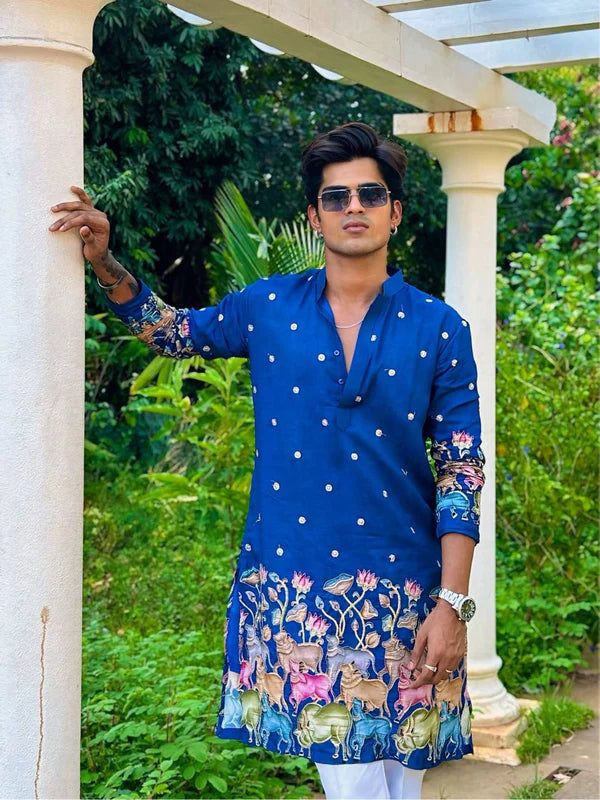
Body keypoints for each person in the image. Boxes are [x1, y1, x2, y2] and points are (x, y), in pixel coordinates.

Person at [49, 121, 485, 800]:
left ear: (396, 212)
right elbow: (173, 332)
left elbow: (461, 469)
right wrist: (106, 264)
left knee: (404, 782)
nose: (354, 208)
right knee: (352, 784)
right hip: (300, 598)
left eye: (371, 194)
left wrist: (452, 606)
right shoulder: (268, 307)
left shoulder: (439, 326)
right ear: (314, 216)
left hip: (412, 598)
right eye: (336, 198)